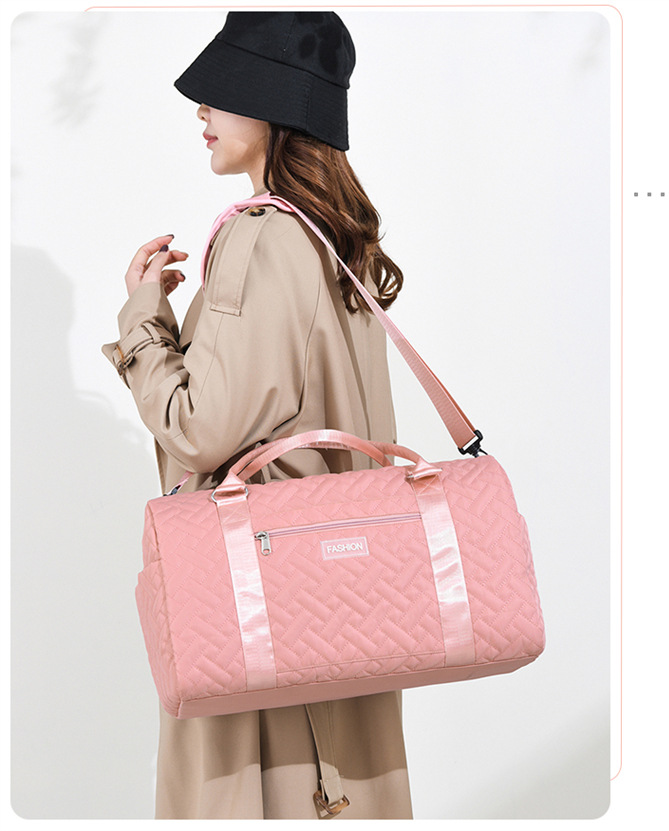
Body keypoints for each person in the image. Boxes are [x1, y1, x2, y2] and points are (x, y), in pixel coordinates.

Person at [102, 11, 413, 820]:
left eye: (220, 91)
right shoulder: (338, 243)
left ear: (271, 104)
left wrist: (143, 320)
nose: (201, 109)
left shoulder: (262, 236)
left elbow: (200, 428)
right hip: (348, 607)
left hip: (260, 615)